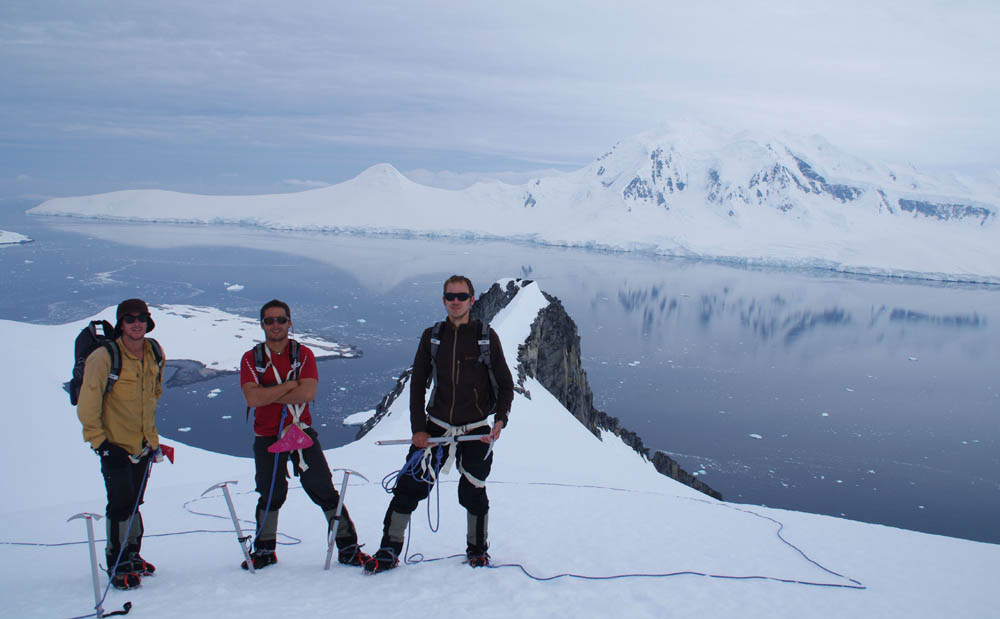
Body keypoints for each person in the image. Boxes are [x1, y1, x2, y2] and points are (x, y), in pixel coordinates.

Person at [364, 275, 515, 573]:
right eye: (451, 296)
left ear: (472, 300)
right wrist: (418, 429)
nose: (456, 302)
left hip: (475, 429)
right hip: (436, 427)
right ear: (444, 300)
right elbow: (417, 384)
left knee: (473, 491)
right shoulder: (432, 337)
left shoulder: (486, 337)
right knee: (409, 487)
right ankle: (388, 549)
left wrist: (500, 419)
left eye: (462, 296)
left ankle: (478, 550)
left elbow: (505, 384)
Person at [239, 299, 368, 570]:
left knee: (323, 489)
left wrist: (268, 393)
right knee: (271, 493)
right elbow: (252, 399)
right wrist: (290, 386)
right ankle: (264, 550)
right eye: (270, 321)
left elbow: (308, 393)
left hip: (300, 432)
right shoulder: (252, 358)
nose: (276, 325)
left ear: (290, 323)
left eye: (281, 320)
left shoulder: (303, 354)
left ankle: (348, 547)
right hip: (268, 435)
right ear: (262, 324)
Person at [77, 298, 164, 590]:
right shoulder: (104, 357)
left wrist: (152, 439)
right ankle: (117, 563)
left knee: (135, 500)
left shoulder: (154, 351)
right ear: (121, 324)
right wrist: (100, 443)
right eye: (129, 319)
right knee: (120, 503)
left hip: (143, 444)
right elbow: (88, 403)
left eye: (141, 318)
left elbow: (153, 393)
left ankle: (132, 555)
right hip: (114, 445)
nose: (136, 323)